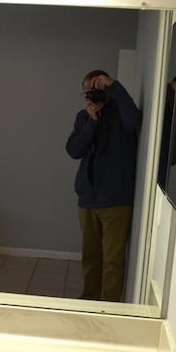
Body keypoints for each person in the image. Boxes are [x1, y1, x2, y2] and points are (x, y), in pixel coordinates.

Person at [65, 69, 142, 302]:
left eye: (97, 90)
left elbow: (135, 120)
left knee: (112, 260)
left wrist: (115, 86)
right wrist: (92, 121)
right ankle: (89, 299)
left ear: (107, 91)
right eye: (87, 92)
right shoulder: (83, 117)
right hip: (88, 199)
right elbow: (74, 150)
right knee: (90, 257)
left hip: (116, 201)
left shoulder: (122, 115)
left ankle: (109, 307)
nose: (90, 97)